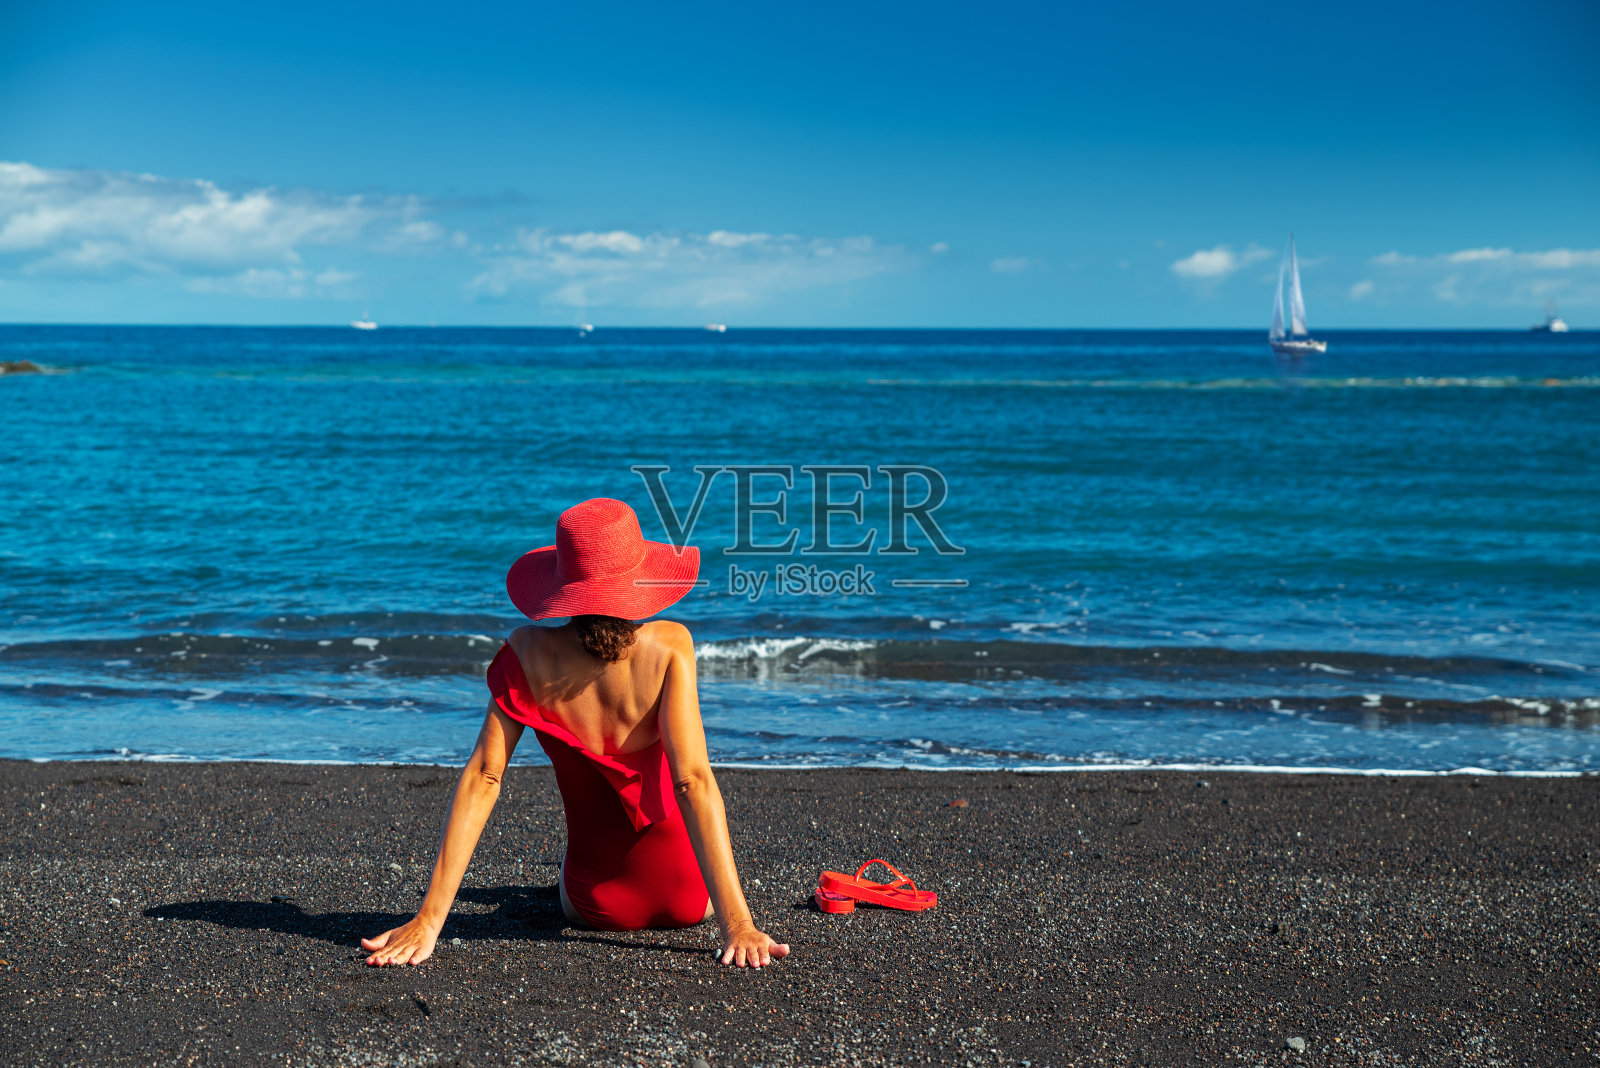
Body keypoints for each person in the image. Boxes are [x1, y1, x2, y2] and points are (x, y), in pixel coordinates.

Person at [361, 498, 790, 968]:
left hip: (593, 905)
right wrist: (739, 926)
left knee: (563, 876)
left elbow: (485, 776)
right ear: (639, 578)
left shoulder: (527, 652)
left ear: (563, 583)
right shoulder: (670, 646)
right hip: (688, 899)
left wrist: (428, 920)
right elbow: (693, 781)